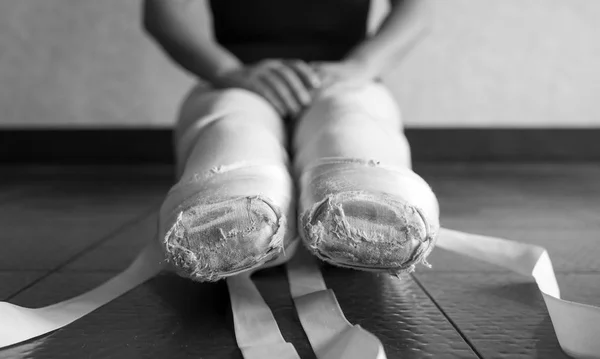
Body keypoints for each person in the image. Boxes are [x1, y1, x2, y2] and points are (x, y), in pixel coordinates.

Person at [143, 0, 439, 282]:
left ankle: (360, 189)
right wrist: (228, 71)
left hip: (342, 75)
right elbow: (163, 13)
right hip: (237, 77)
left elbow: (416, 9)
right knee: (231, 129)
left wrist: (360, 67)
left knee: (353, 125)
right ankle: (238, 198)